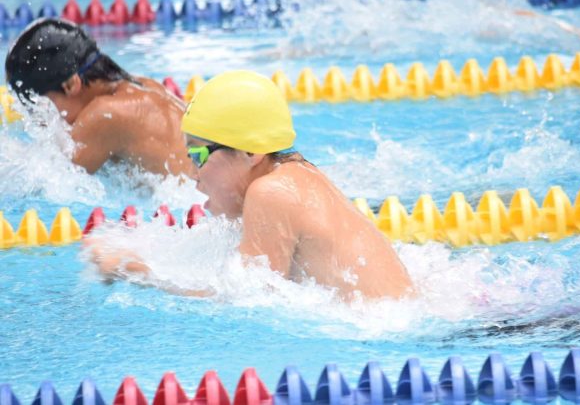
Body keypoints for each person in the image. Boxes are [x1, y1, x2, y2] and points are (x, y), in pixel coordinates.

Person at [91, 70, 413, 299]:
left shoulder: (270, 193)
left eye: (199, 155)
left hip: (395, 334)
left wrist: (139, 272)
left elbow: (242, 301)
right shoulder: (293, 174)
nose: (192, 174)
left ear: (251, 152)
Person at [4, 18, 193, 176]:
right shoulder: (141, 85)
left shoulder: (105, 114)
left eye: (42, 106)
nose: (40, 120)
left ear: (70, 85)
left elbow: (54, 180)